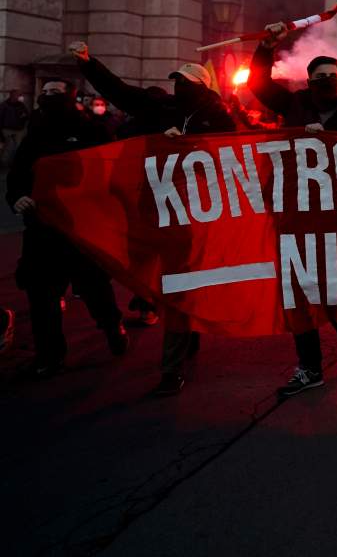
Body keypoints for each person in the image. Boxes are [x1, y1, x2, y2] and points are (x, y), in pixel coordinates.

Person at [70, 40, 236, 395]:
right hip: (151, 204)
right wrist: (88, 63)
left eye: (187, 83)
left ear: (202, 88)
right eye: (177, 81)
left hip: (192, 211)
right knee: (142, 267)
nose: (179, 88)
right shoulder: (160, 105)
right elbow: (119, 91)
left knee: (179, 282)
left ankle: (171, 367)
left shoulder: (218, 117)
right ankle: (157, 310)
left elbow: (232, 154)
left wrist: (191, 143)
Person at [251, 21, 337, 396]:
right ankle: (309, 367)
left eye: (330, 76)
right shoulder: (293, 104)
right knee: (297, 288)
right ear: (309, 80)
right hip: (290, 210)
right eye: (318, 77)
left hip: (331, 214)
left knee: (329, 284)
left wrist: (332, 148)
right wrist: (267, 44)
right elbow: (257, 83)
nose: (325, 81)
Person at [6, 77, 129, 377]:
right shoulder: (35, 132)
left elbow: (109, 168)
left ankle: (113, 327)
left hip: (80, 229)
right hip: (42, 228)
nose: (47, 96)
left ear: (70, 96)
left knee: (93, 287)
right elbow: (18, 174)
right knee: (41, 292)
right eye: (44, 92)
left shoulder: (91, 130)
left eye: (54, 92)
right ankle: (49, 354)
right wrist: (18, 197)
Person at [1, 89, 30, 166]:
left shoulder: (21, 105)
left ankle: (16, 162)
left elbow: (26, 115)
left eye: (20, 95)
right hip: (7, 129)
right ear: (12, 95)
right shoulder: (4, 105)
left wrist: (24, 116)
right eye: (18, 95)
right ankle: (4, 163)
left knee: (19, 147)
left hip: (18, 130)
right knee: (7, 147)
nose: (20, 97)